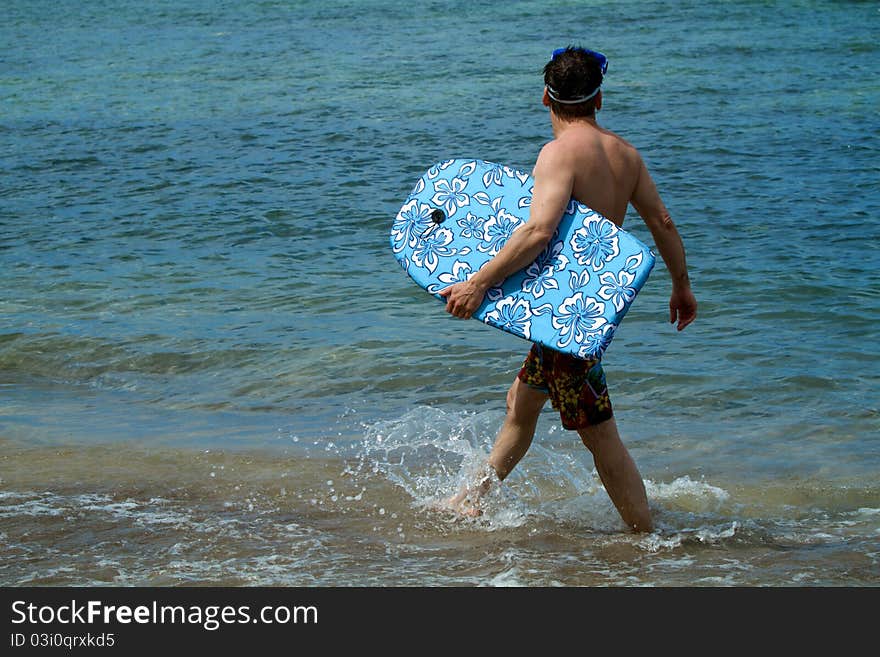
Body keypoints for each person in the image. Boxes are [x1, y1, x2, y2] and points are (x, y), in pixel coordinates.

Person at [439, 47, 697, 533]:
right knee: (521, 402)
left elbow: (538, 231)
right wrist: (681, 287)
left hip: (567, 322)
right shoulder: (627, 156)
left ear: (544, 98)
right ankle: (472, 498)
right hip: (578, 312)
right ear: (599, 100)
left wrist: (478, 283)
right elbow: (662, 222)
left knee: (600, 436)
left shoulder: (557, 154)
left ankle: (647, 539)